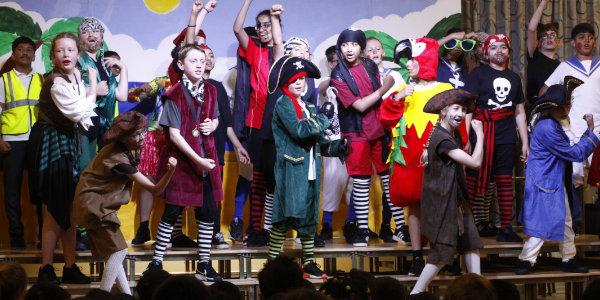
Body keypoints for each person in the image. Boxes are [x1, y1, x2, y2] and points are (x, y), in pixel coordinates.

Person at [73, 111, 177, 293]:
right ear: (123, 137)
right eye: (135, 134)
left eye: (143, 131)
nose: (142, 137)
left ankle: (126, 295)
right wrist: (170, 171)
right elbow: (155, 189)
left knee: (114, 254)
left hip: (95, 204)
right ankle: (102, 295)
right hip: (94, 207)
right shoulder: (117, 158)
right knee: (120, 251)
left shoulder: (122, 151)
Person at [144, 44, 223, 282]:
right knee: (172, 210)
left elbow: (216, 117)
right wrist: (198, 160)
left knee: (207, 212)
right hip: (182, 161)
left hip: (206, 157)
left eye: (202, 60)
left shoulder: (211, 90)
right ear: (181, 65)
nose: (199, 65)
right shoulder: (174, 95)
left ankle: (204, 263)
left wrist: (213, 125)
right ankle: (156, 261)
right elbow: (175, 135)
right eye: (193, 61)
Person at [267, 55, 347, 278]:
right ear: (286, 83)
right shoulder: (283, 103)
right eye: (294, 80)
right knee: (285, 216)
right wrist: (324, 118)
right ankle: (272, 262)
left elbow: (317, 140)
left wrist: (336, 147)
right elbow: (300, 131)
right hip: (291, 170)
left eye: (302, 78)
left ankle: (309, 262)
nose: (299, 83)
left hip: (310, 170)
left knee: (309, 217)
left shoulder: (309, 106)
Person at [379, 37, 453, 275]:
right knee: (415, 207)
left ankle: (438, 255)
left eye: (412, 59)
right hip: (409, 157)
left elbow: (457, 124)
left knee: (439, 206)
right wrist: (397, 99)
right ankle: (416, 256)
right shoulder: (403, 91)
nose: (408, 64)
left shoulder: (445, 90)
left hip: (436, 156)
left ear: (424, 59)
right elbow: (385, 119)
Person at [28, 32, 95, 284]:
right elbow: (79, 112)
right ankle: (46, 268)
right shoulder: (56, 82)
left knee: (69, 207)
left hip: (67, 141)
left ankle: (70, 266)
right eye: (59, 51)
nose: (65, 54)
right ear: (53, 57)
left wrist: (89, 84)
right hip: (51, 142)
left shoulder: (75, 75)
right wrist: (94, 88)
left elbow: (82, 117)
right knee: (53, 209)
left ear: (78, 54)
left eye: (70, 50)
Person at [516, 84, 598, 275]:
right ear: (551, 107)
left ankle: (568, 258)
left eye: (568, 104)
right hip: (544, 183)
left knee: (566, 222)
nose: (567, 109)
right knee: (540, 226)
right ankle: (526, 261)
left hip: (552, 181)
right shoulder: (547, 127)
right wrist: (591, 131)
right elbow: (576, 153)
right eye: (564, 105)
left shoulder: (553, 122)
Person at [407, 89, 483, 296]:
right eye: (456, 108)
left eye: (464, 110)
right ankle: (416, 293)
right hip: (443, 203)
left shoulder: (450, 133)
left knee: (470, 243)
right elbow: (475, 163)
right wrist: (480, 134)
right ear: (443, 111)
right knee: (440, 254)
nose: (460, 114)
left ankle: (478, 290)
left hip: (456, 199)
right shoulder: (442, 138)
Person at [329, 28, 398, 247]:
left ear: (360, 47)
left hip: (378, 130)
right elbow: (359, 105)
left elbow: (376, 102)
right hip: (355, 133)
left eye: (354, 45)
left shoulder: (368, 65)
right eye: (344, 45)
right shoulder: (338, 74)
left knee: (389, 179)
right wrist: (385, 87)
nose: (349, 49)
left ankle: (401, 227)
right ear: (340, 48)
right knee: (360, 182)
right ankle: (362, 230)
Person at [463, 34, 529, 242]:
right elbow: (467, 109)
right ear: (486, 52)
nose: (498, 51)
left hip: (506, 136)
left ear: (508, 51)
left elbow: (519, 112)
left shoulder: (514, 78)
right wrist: (465, 138)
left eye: (503, 47)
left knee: (504, 181)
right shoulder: (477, 74)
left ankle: (506, 227)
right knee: (473, 179)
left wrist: (525, 142)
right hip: (480, 134)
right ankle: (466, 226)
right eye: (494, 48)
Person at [233, 0, 281, 246]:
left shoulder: (284, 55)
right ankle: (255, 228)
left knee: (273, 178)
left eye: (267, 25)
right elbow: (238, 28)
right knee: (257, 177)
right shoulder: (255, 51)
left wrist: (274, 19)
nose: (262, 29)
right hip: (255, 124)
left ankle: (271, 228)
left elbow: (279, 44)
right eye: (259, 26)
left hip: (277, 126)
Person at [202, 44, 250, 248]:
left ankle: (214, 233)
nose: (208, 59)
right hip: (194, 149)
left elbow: (228, 124)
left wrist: (239, 146)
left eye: (211, 55)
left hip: (216, 149)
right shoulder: (187, 85)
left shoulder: (218, 86)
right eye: (203, 55)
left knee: (214, 194)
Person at [0, 36, 43, 248]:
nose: (25, 53)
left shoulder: (43, 80)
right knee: (12, 191)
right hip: (11, 141)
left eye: (29, 50)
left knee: (40, 189)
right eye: (20, 49)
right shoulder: (3, 80)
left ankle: (44, 235)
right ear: (14, 54)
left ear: (34, 55)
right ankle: (16, 237)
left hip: (37, 141)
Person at [128, 76, 172, 245]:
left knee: (174, 183)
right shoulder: (163, 81)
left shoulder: (194, 83)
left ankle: (168, 232)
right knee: (148, 181)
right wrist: (140, 91)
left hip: (178, 138)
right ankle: (143, 228)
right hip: (155, 137)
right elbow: (133, 97)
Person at [539, 22, 598, 96]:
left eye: (590, 37)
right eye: (582, 37)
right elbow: (543, 93)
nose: (587, 40)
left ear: (594, 43)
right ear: (573, 43)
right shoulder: (565, 66)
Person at [526, 0, 560, 104]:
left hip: (556, 108)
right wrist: (544, 2)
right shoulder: (535, 57)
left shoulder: (560, 65)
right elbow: (531, 29)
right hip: (537, 107)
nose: (549, 37)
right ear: (538, 42)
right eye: (545, 35)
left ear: (558, 42)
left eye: (552, 34)